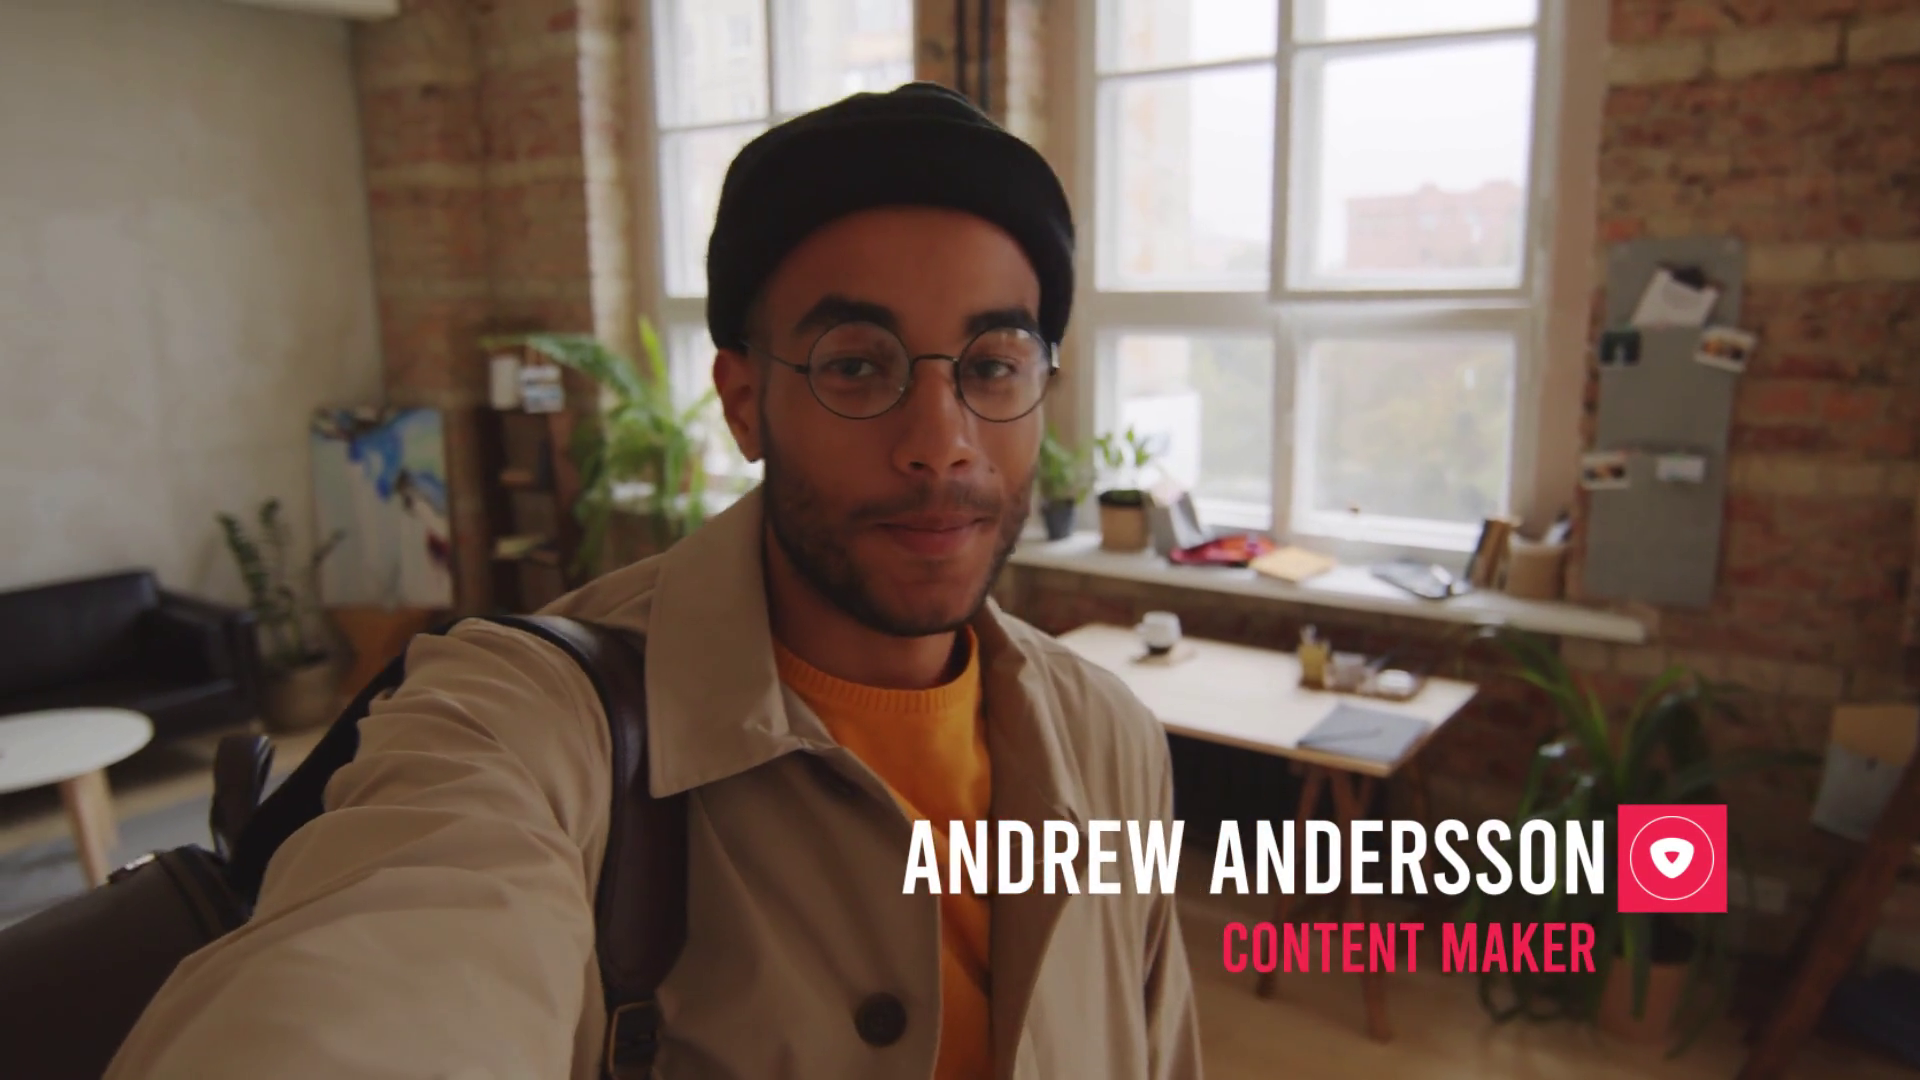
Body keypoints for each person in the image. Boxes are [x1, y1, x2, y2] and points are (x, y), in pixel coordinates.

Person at [105, 82, 1201, 1080]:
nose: (941, 443)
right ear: (744, 403)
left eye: (993, 366)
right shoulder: (534, 724)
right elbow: (385, 960)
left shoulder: (1108, 739)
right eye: (857, 365)